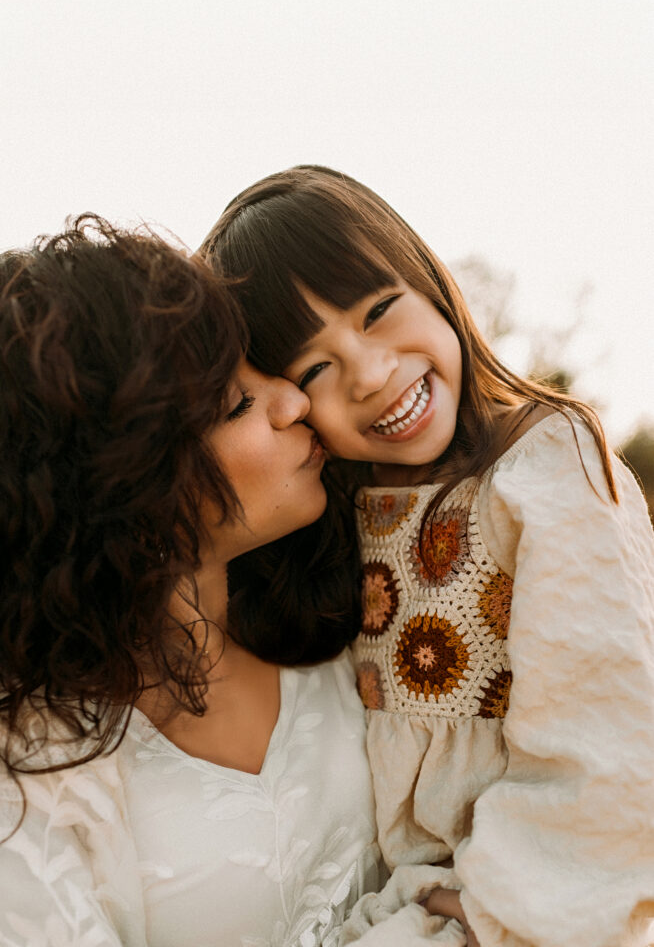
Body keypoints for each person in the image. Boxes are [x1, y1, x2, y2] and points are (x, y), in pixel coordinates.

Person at [201, 165, 654, 947]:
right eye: (315, 368)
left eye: (379, 311)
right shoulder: (343, 516)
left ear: (428, 281)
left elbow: (607, 746)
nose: (373, 374)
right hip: (401, 907)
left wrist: (501, 916)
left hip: (532, 908)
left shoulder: (543, 468)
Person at [0, 216, 384, 947]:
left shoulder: (342, 622)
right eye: (237, 403)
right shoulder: (32, 775)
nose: (293, 401)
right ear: (127, 478)